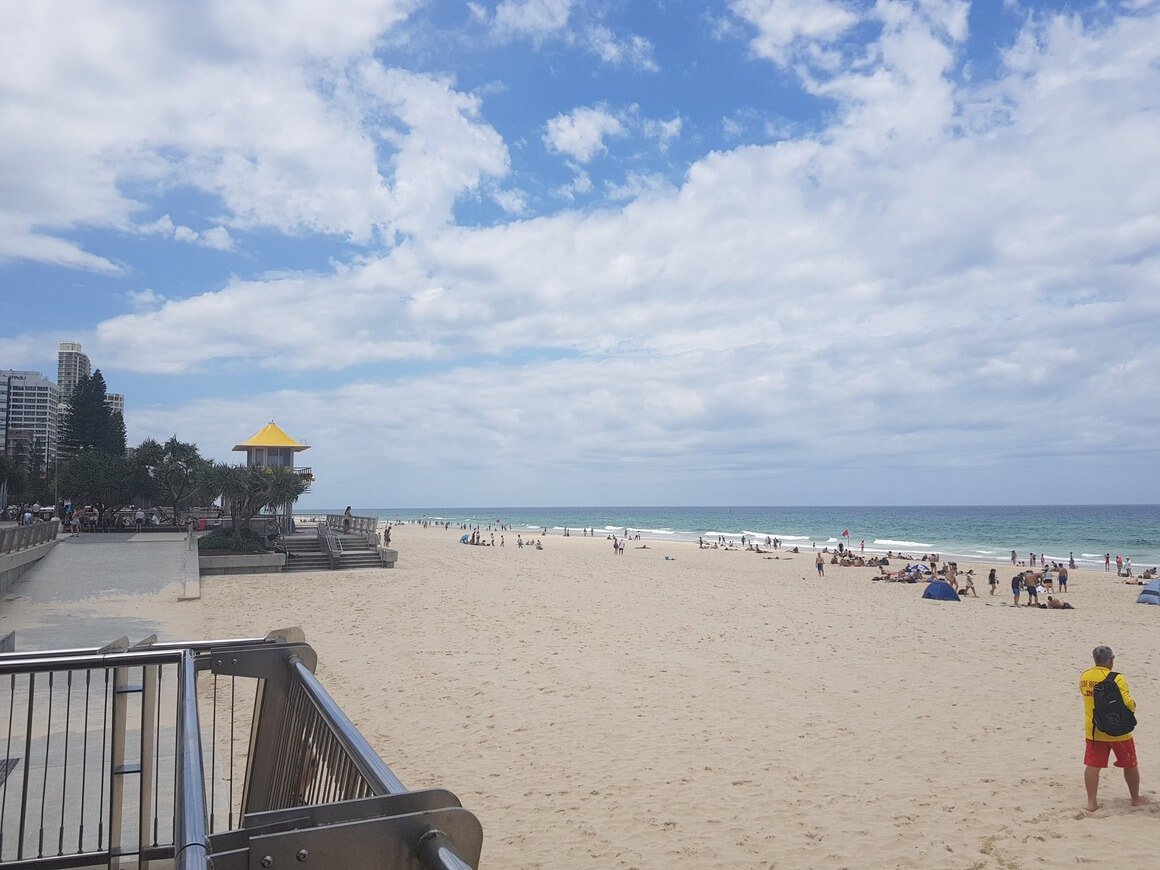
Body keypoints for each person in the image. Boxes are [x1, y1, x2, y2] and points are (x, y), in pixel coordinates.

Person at [1080, 646, 1148, 811]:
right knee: (1130, 764)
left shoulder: (1085, 676)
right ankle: (1135, 798)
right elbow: (1127, 702)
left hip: (1094, 729)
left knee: (1093, 765)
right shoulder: (1117, 678)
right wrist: (1133, 707)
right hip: (1119, 731)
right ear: (1110, 659)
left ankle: (1091, 802)